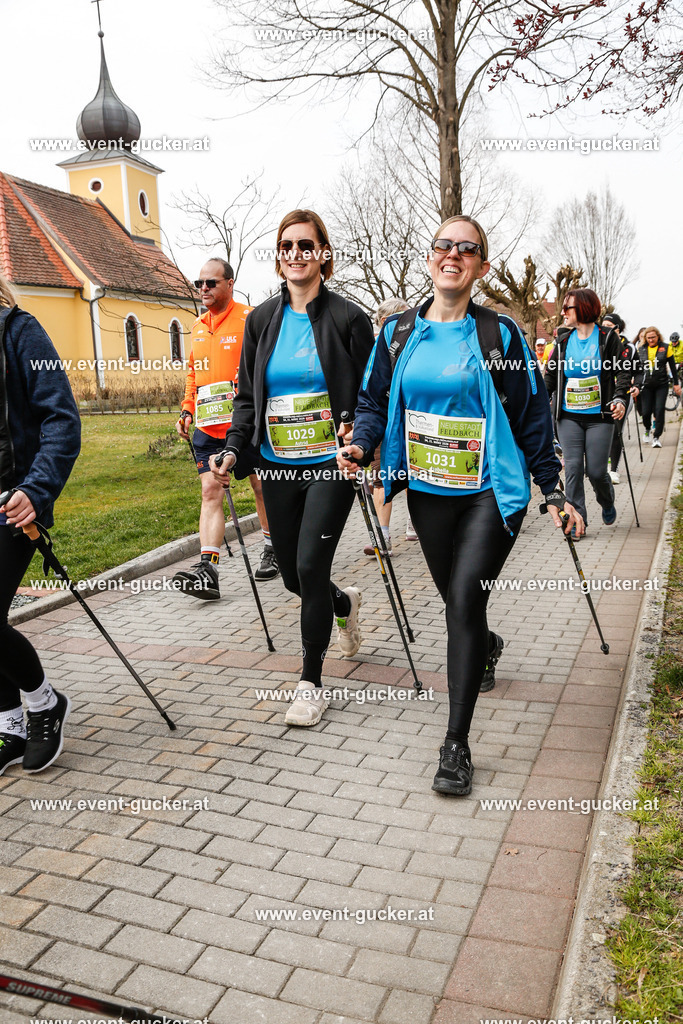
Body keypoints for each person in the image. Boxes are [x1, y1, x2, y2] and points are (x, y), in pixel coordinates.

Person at [337, 215, 582, 796]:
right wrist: (363, 443)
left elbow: (528, 414)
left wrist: (552, 488)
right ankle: (487, 645)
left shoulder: (499, 334)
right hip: (427, 491)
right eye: (444, 246)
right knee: (459, 605)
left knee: (463, 602)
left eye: (466, 249)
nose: (453, 255)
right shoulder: (397, 333)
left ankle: (456, 743)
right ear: (431, 257)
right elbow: (373, 401)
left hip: (491, 493)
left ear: (481, 266)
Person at [210, 210, 375, 726]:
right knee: (290, 575)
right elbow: (246, 397)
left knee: (309, 566)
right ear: (278, 257)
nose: (296, 255)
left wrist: (360, 439)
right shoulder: (261, 320)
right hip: (277, 464)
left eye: (306, 246)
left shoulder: (350, 319)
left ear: (323, 253)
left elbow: (373, 395)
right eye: (287, 247)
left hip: (331, 463)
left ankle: (310, 680)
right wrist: (236, 447)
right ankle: (342, 603)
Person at [0, 273, 81, 775]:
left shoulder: (20, 331)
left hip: (13, 503)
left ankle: (43, 702)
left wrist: (36, 488)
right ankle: (9, 722)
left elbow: (62, 418)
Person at [174, 258, 278, 600]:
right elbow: (194, 373)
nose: (203, 288)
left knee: (261, 487)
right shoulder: (197, 326)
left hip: (244, 424)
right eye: (199, 283)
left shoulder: (250, 319)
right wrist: (188, 408)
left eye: (211, 283)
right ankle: (208, 569)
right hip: (207, 425)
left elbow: (267, 364)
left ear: (230, 284)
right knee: (210, 492)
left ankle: (272, 546)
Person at [545, 290, 633, 537]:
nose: (562, 312)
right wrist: (537, 402)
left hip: (600, 418)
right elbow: (551, 377)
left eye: (567, 308)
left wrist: (619, 398)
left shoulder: (607, 338)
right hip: (568, 417)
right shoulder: (563, 341)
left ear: (583, 309)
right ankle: (577, 521)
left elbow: (623, 372)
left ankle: (606, 500)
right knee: (572, 469)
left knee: (595, 471)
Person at [363, 297, 410, 557]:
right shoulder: (373, 348)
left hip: (413, 421)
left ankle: (415, 525)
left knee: (418, 474)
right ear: (386, 322)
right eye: (403, 317)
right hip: (383, 422)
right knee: (381, 476)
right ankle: (383, 536)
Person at [601, 313, 636, 484]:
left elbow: (639, 370)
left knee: (616, 431)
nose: (606, 328)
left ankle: (613, 469)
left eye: (610, 325)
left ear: (618, 328)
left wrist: (636, 385)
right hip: (602, 394)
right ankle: (601, 465)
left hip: (622, 395)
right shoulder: (599, 343)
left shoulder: (629, 347)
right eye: (604, 324)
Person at [633, 326, 681, 448]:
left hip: (661, 384)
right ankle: (648, 428)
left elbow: (673, 369)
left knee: (659, 410)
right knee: (646, 411)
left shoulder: (665, 348)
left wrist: (676, 384)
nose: (651, 340)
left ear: (658, 336)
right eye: (648, 338)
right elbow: (636, 367)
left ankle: (656, 437)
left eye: (653, 337)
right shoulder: (641, 349)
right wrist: (634, 381)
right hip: (646, 385)